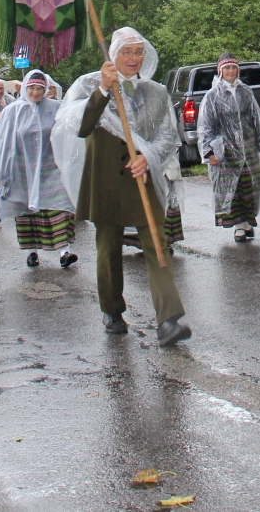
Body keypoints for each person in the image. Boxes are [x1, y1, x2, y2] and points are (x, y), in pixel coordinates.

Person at [52, 27, 190, 346]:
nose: (133, 58)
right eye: (127, 52)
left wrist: (148, 157)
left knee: (157, 246)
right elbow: (83, 127)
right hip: (105, 181)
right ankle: (112, 311)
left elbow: (168, 135)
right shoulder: (91, 86)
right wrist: (103, 87)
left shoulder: (155, 92)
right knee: (108, 251)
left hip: (142, 180)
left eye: (139, 52)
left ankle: (169, 319)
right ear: (113, 54)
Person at [0, 69, 77, 269]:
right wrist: (2, 172)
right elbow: (2, 141)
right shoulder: (13, 111)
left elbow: (71, 128)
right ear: (25, 88)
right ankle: (31, 251)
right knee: (27, 211)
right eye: (32, 88)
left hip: (50, 167)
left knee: (59, 205)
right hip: (22, 170)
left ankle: (65, 251)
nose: (35, 93)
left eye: (39, 88)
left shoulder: (55, 108)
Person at [197, 52, 260, 242]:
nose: (231, 71)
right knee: (233, 188)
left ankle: (248, 221)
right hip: (226, 151)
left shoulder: (245, 91)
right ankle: (239, 226)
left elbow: (257, 118)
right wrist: (208, 152)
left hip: (248, 147)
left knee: (250, 186)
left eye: (234, 67)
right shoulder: (212, 96)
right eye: (227, 68)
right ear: (220, 71)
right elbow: (205, 126)